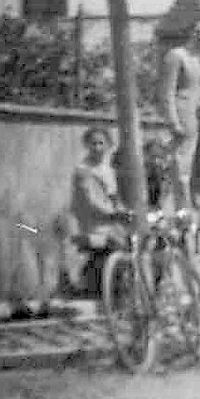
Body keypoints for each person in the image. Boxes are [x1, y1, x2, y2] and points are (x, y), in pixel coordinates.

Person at [158, 20, 200, 206]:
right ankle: (182, 206)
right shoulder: (177, 56)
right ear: (190, 34)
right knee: (182, 161)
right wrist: (173, 121)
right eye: (198, 33)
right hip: (184, 115)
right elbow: (167, 91)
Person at [71, 127, 132, 297]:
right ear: (87, 145)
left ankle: (117, 288)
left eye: (101, 143)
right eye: (93, 143)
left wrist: (122, 211)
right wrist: (113, 214)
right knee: (116, 245)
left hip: (110, 222)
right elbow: (91, 201)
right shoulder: (83, 170)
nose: (97, 147)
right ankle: (102, 289)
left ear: (108, 146)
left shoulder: (108, 170)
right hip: (93, 223)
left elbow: (114, 197)